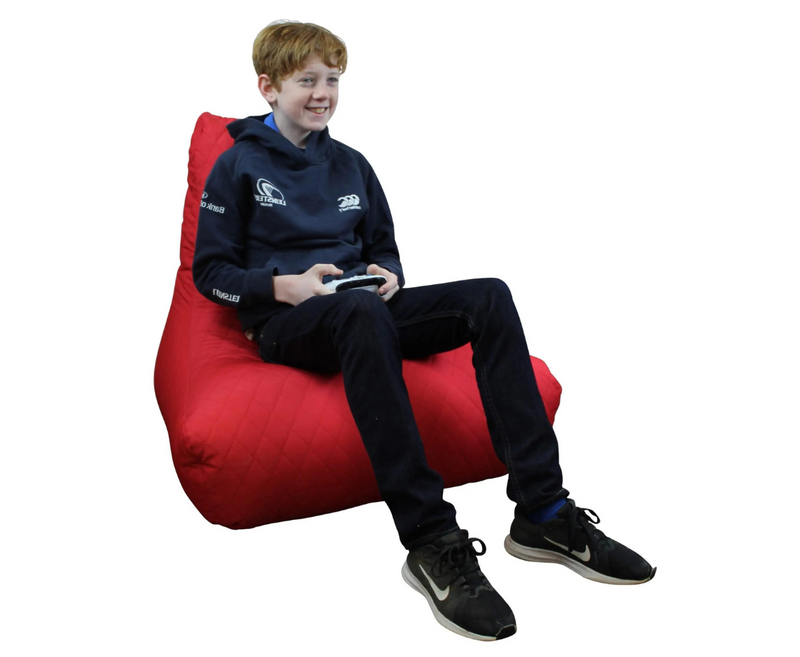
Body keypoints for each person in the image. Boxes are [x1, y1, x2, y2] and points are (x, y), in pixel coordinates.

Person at [193, 20, 655, 642]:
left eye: (333, 79)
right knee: (360, 315)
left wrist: (390, 276)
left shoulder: (353, 165)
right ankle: (431, 539)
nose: (323, 93)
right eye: (306, 81)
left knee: (488, 296)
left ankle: (543, 511)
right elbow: (210, 275)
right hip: (287, 323)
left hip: (359, 308)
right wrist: (284, 286)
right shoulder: (237, 165)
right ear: (268, 87)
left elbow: (382, 248)